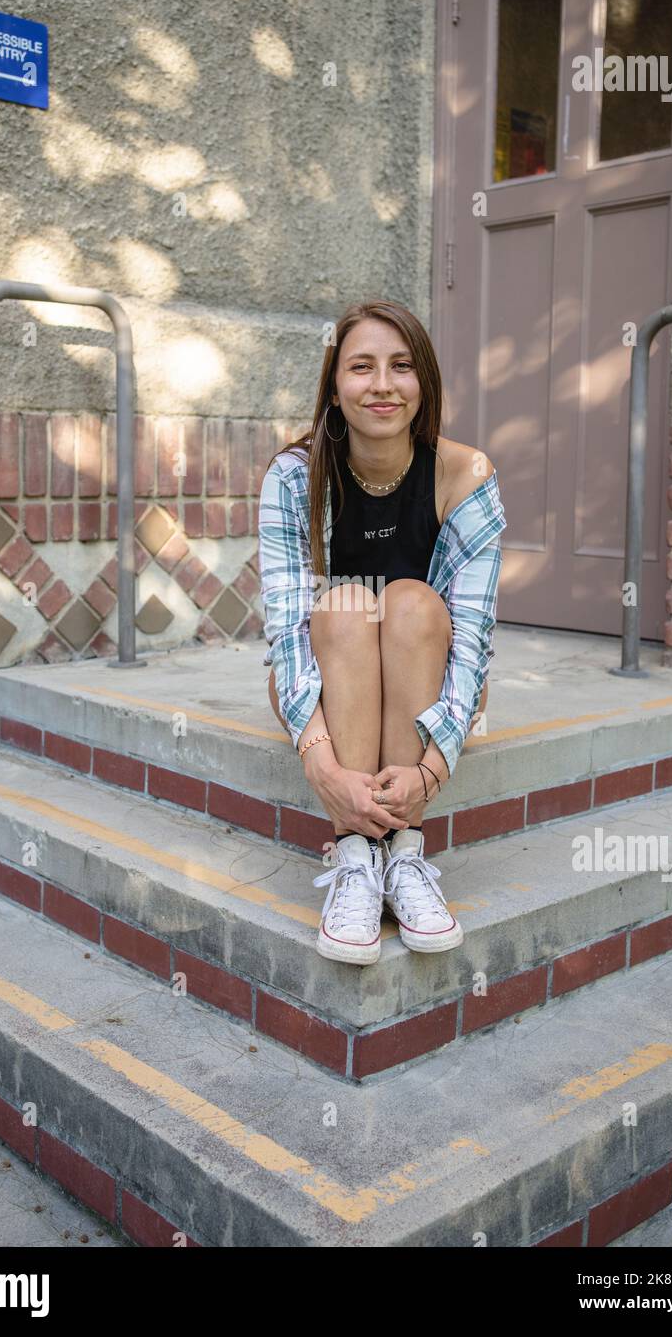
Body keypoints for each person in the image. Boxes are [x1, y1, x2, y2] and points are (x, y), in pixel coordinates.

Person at [258, 298, 506, 967]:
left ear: (423, 383)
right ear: (334, 390)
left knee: (415, 603)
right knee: (341, 605)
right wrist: (323, 766)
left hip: (431, 665)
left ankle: (405, 853)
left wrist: (433, 766)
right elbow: (286, 636)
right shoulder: (293, 475)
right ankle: (357, 857)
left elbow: (474, 639)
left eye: (401, 366)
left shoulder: (465, 475)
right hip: (324, 667)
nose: (382, 384)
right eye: (361, 367)